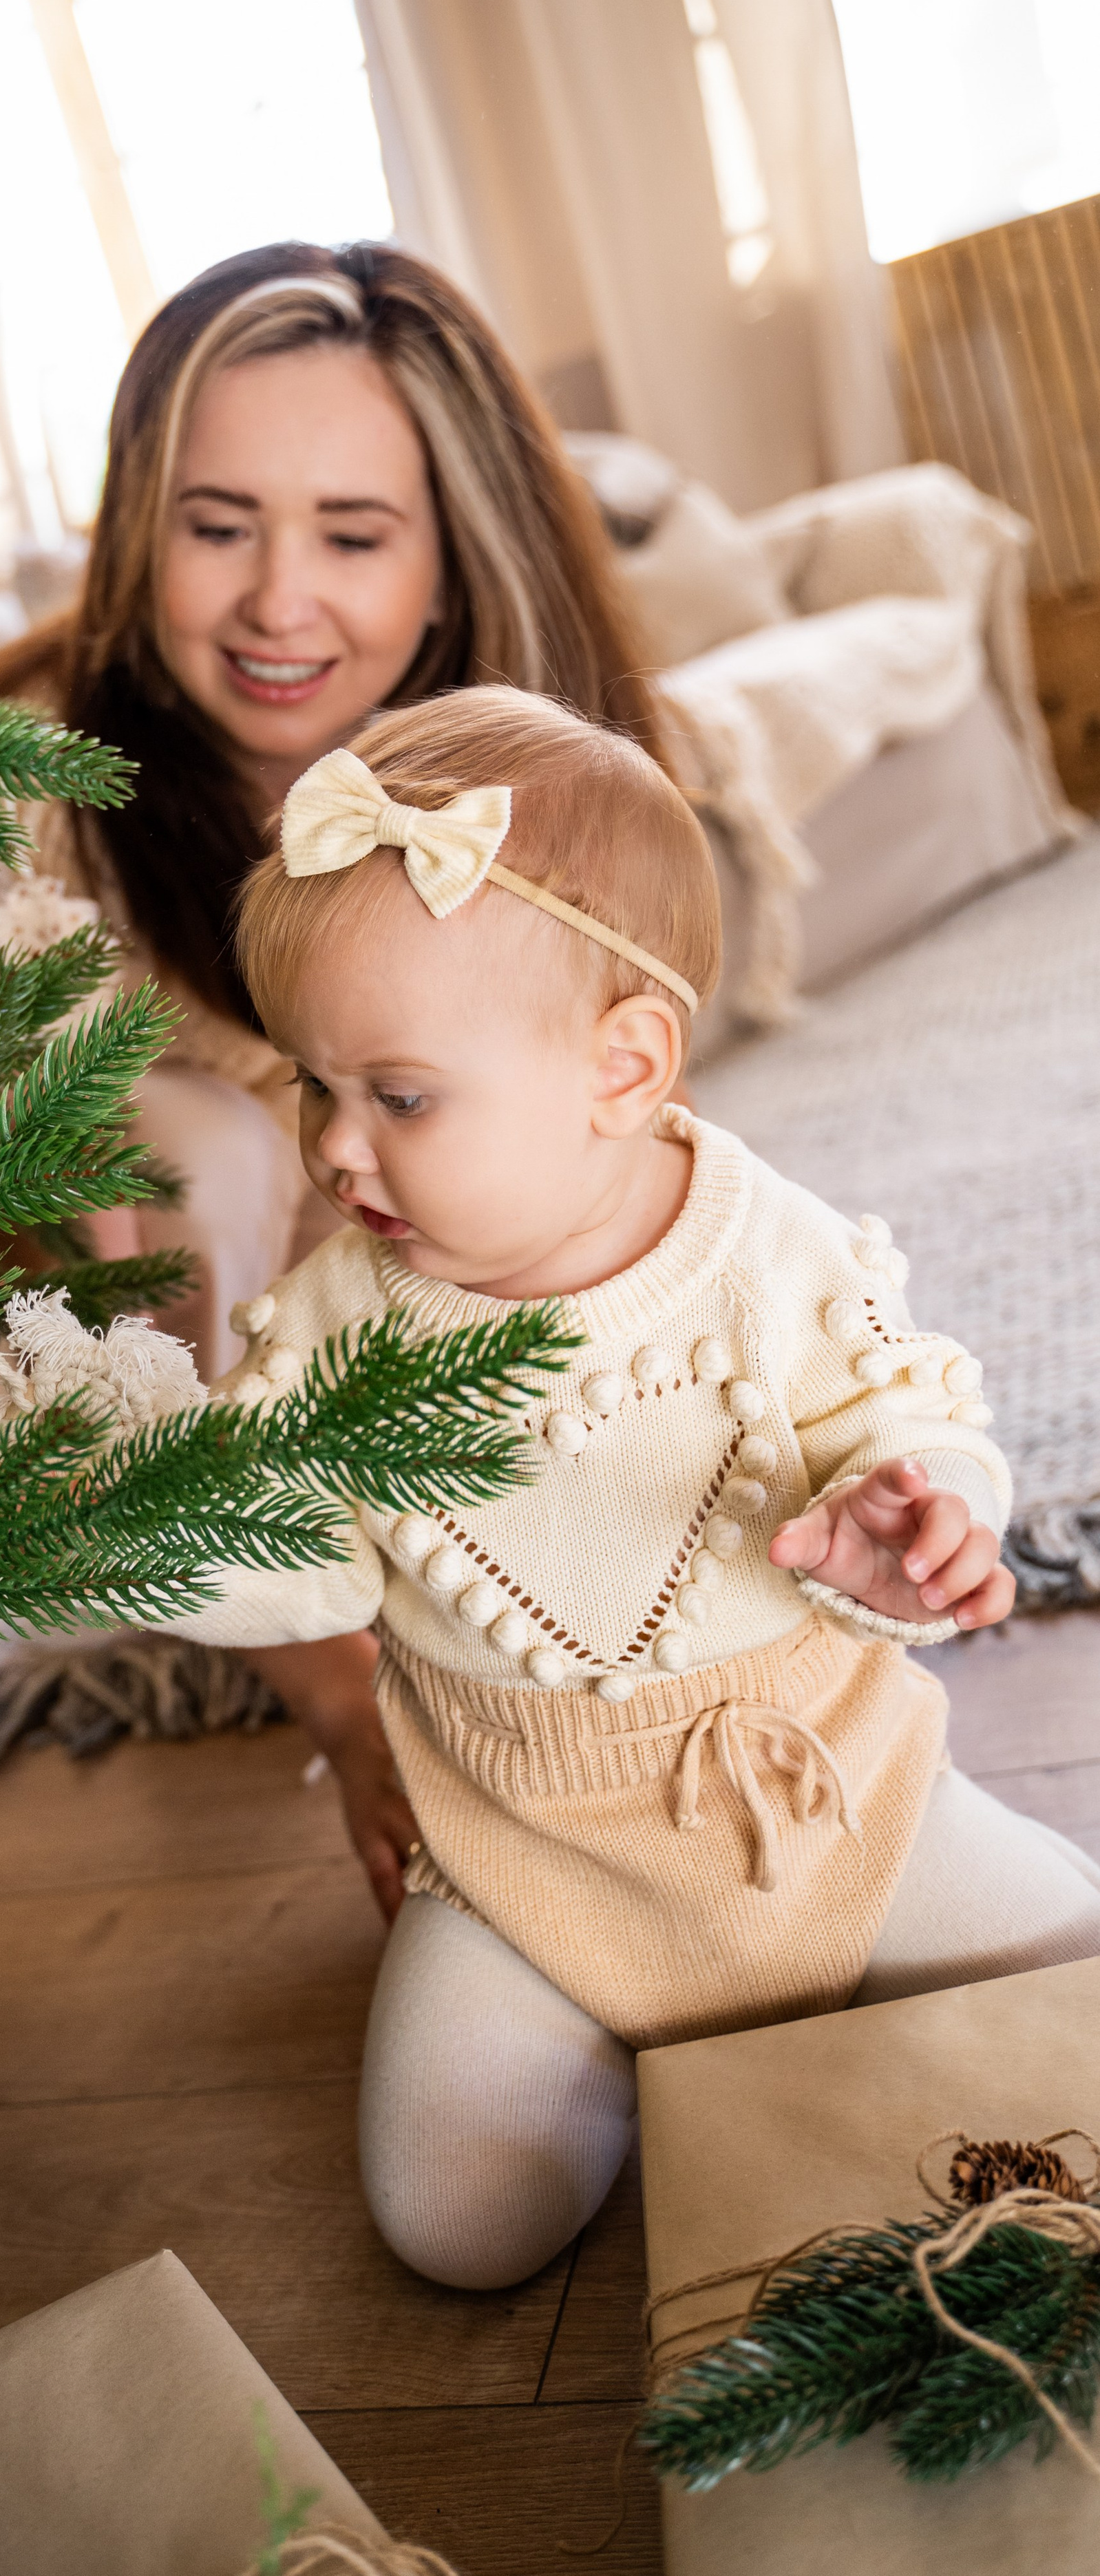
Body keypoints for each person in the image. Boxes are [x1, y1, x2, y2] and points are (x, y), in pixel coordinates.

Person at [155, 680, 1100, 2290]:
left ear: (622, 1066)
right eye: (313, 1086)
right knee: (455, 2227)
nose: (335, 1150)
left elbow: (908, 1399)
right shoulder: (328, 1325)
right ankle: (617, 2062)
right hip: (531, 1868)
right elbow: (288, 1557)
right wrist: (132, 1525)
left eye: (398, 1094)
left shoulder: (762, 1249)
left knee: (1071, 1993)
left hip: (831, 1814)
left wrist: (916, 1503)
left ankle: (783, 2046)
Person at [0, 242, 657, 1920]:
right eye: (217, 527)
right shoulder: (38, 808)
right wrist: (354, 1704)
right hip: (196, 1350)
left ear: (447, 560)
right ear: (142, 529)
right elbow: (109, 1300)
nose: (279, 605)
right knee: (190, 1137)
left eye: (351, 536)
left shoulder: (560, 772)